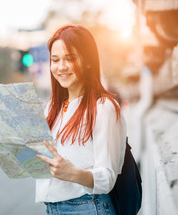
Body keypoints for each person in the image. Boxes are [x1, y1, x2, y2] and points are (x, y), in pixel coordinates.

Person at [36, 24, 126, 215]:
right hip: (53, 207)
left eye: (70, 59)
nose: (61, 67)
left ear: (87, 61)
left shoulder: (103, 108)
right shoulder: (53, 107)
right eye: (55, 60)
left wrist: (75, 174)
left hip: (88, 206)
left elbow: (107, 177)